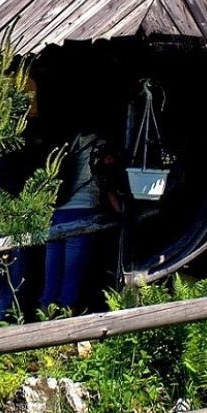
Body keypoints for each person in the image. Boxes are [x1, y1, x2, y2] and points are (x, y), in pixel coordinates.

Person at [40, 129, 122, 314]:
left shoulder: (68, 143)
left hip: (56, 212)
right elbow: (105, 180)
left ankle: (45, 314)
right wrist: (120, 209)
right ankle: (67, 324)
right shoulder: (99, 146)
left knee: (52, 275)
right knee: (72, 276)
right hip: (82, 211)